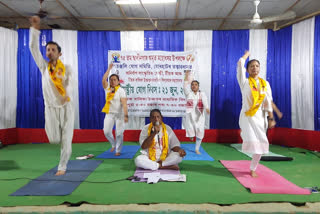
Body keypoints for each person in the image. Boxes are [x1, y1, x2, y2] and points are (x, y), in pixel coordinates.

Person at [29, 16, 74, 176]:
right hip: (50, 108)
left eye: (53, 49)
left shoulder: (67, 68)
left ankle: (62, 167)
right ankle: (61, 158)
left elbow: (69, 84)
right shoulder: (43, 67)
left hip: (67, 107)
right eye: (48, 49)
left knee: (66, 140)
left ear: (60, 53)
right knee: (54, 139)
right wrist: (35, 29)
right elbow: (33, 48)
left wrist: (65, 95)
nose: (50, 52)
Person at [237, 51, 276, 178]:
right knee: (251, 141)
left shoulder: (265, 84)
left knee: (261, 144)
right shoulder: (244, 82)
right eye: (252, 66)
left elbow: (268, 101)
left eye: (257, 66)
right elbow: (240, 64)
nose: (254, 68)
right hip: (247, 117)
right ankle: (251, 164)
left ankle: (253, 168)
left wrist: (270, 118)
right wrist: (245, 56)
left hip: (260, 118)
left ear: (259, 68)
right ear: (247, 70)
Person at [101, 63, 128, 156]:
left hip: (119, 115)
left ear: (118, 81)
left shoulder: (121, 90)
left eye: (114, 80)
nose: (112, 81)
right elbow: (103, 79)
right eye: (111, 80)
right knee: (106, 131)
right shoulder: (107, 88)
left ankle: (118, 150)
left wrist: (125, 115)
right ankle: (113, 144)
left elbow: (124, 103)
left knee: (119, 133)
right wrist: (109, 69)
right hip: (109, 114)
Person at [183, 71, 210, 154]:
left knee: (200, 131)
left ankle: (197, 149)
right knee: (191, 130)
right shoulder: (188, 94)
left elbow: (205, 101)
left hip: (199, 116)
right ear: (191, 86)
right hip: (191, 115)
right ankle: (191, 136)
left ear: (198, 86)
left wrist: (207, 108)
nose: (194, 86)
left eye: (195, 85)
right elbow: (184, 86)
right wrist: (186, 75)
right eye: (192, 85)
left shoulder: (202, 94)